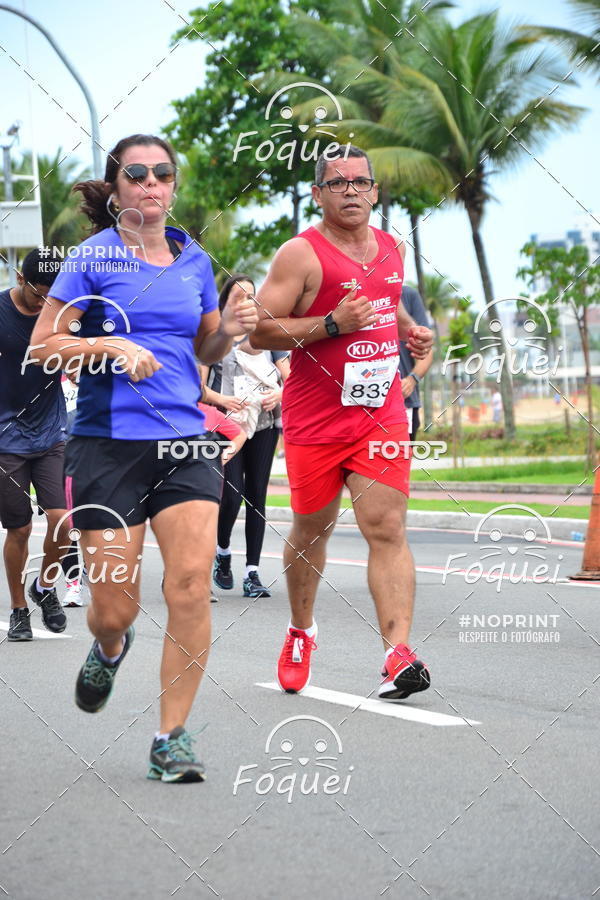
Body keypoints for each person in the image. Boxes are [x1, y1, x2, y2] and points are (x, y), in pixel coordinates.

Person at [29, 133, 257, 782]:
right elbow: (45, 346)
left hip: (185, 444)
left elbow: (205, 351)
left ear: (173, 186)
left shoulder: (193, 260)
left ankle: (171, 736)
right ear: (119, 187)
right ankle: (110, 645)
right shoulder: (92, 257)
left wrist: (230, 334)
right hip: (107, 446)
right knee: (113, 608)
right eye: (137, 174)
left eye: (162, 174)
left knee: (188, 589)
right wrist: (112, 350)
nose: (151, 184)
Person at [251, 145, 434, 700]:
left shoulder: (390, 248)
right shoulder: (299, 255)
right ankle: (301, 631)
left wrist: (407, 328)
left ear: (376, 191)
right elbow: (259, 331)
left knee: (387, 527)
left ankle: (397, 654)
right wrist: (330, 323)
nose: (351, 191)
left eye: (360, 182)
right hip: (315, 419)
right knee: (311, 532)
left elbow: (382, 299)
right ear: (318, 194)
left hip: (379, 414)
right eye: (338, 183)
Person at [202, 274, 289, 599]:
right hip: (227, 428)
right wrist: (221, 400)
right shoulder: (216, 336)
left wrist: (278, 394)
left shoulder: (268, 333)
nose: (246, 300)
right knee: (230, 496)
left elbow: (289, 379)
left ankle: (252, 573)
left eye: (252, 295)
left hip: (264, 425)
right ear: (226, 301)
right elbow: (198, 385)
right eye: (239, 295)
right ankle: (222, 553)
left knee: (256, 497)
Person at [0, 248, 69, 642]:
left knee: (62, 521)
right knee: (21, 529)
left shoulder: (63, 313)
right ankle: (18, 609)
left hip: (49, 433)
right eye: (39, 294)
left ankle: (43, 588)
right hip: (6, 438)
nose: (45, 302)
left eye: (51, 295)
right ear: (22, 281)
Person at [398, 285, 434, 443]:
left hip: (404, 401)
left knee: (396, 463)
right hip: (356, 405)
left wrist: (412, 379)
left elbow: (426, 350)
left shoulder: (408, 295)